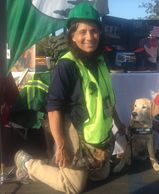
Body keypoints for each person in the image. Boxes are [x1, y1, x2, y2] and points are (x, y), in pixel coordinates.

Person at [14, 2, 125, 194]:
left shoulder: (100, 61)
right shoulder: (66, 65)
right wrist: (62, 144)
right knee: (73, 187)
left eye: (94, 31)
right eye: (82, 32)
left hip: (98, 132)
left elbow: (107, 98)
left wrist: (118, 122)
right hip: (74, 127)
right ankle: (28, 164)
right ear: (72, 36)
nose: (89, 37)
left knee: (102, 175)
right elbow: (53, 107)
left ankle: (67, 166)